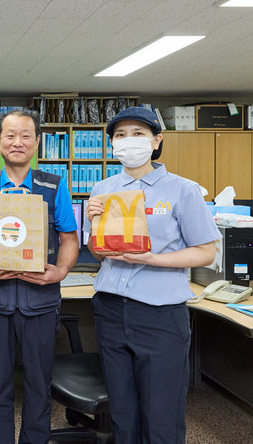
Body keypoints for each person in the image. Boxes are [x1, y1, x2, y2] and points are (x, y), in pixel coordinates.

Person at [83, 107, 220, 443]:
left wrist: (153, 259)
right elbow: (98, 253)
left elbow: (206, 252)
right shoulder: (103, 188)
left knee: (161, 418)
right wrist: (92, 224)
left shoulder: (183, 190)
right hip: (111, 309)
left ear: (156, 141)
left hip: (160, 315)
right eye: (120, 135)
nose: (128, 141)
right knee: (122, 415)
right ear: (112, 144)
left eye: (138, 134)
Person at [0, 110, 79, 443]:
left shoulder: (53, 186)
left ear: (37, 142)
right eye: (10, 135)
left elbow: (69, 238)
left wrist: (61, 271)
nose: (18, 142)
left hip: (40, 302)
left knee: (38, 384)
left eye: (26, 135)